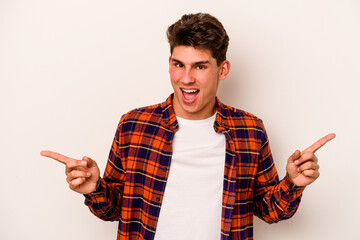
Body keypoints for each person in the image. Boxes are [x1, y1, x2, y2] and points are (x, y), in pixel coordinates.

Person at [41, 13, 335, 240]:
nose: (186, 79)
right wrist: (94, 189)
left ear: (223, 69)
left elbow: (268, 211)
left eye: (200, 66)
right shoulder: (134, 125)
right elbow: (115, 210)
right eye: (179, 64)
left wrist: (292, 184)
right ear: (169, 63)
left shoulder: (250, 130)